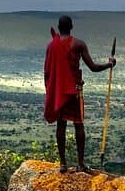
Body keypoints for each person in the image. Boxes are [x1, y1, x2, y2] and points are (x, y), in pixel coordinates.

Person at [44, 15, 116, 173]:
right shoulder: (78, 44)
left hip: (58, 91)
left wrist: (50, 91)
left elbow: (47, 72)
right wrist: (109, 64)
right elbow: (93, 67)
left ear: (58, 27)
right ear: (71, 27)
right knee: (78, 124)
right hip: (74, 91)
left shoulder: (51, 46)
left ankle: (63, 163)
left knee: (61, 124)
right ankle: (80, 163)